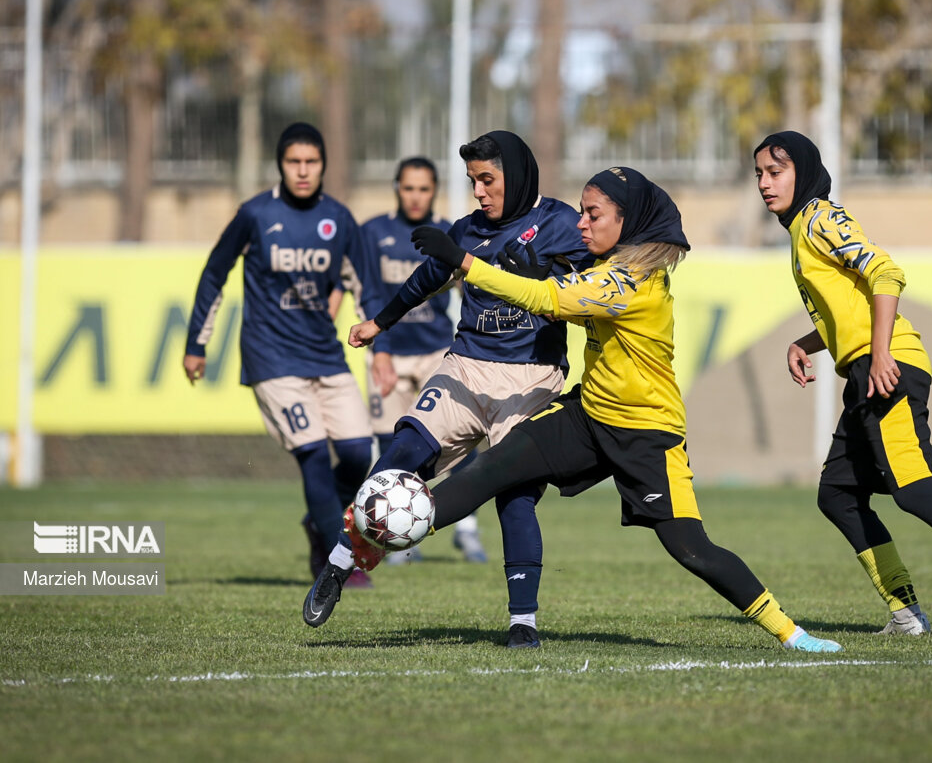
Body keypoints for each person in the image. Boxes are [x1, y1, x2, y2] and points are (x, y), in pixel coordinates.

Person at [305, 165, 845, 654]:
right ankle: (379, 539)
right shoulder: (610, 265)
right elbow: (560, 284)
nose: (581, 224)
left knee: (692, 549)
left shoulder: (629, 281)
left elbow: (548, 300)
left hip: (646, 435)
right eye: (582, 212)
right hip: (587, 416)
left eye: (594, 215)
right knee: (490, 470)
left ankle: (790, 632)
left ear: (627, 221)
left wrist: (467, 263)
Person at [755, 130, 932, 640]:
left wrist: (882, 353)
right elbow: (849, 308)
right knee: (837, 493)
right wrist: (806, 342)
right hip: (867, 366)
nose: (764, 183)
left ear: (803, 171)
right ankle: (906, 614)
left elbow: (886, 273)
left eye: (776, 172)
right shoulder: (800, 229)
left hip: (886, 365)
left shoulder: (820, 216)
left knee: (913, 487)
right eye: (758, 173)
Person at [336, 131, 595, 648]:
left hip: (532, 375)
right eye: (473, 181)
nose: (478, 192)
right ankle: (339, 562)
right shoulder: (469, 229)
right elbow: (423, 281)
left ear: (516, 176)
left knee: (514, 498)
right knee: (403, 450)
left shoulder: (561, 224)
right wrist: (378, 324)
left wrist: (556, 282)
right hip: (467, 367)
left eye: (487, 180)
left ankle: (523, 623)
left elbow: (598, 284)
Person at [184, 121, 384, 587]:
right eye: (294, 162)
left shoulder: (339, 218)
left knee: (359, 455)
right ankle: (338, 557)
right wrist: (197, 343)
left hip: (325, 355)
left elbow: (365, 287)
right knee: (313, 454)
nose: (302, 171)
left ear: (323, 166)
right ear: (280, 165)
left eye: (311, 162)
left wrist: (382, 350)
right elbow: (215, 274)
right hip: (271, 358)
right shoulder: (254, 214)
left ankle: (320, 520)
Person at [362, 156, 486, 564]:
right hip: (389, 355)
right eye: (409, 187)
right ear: (397, 188)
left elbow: (469, 290)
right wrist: (378, 352)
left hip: (436, 351)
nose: (416, 196)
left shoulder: (448, 234)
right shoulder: (373, 233)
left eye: (424, 188)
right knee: (392, 445)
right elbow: (368, 293)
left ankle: (466, 528)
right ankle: (398, 536)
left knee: (455, 439)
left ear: (434, 191)